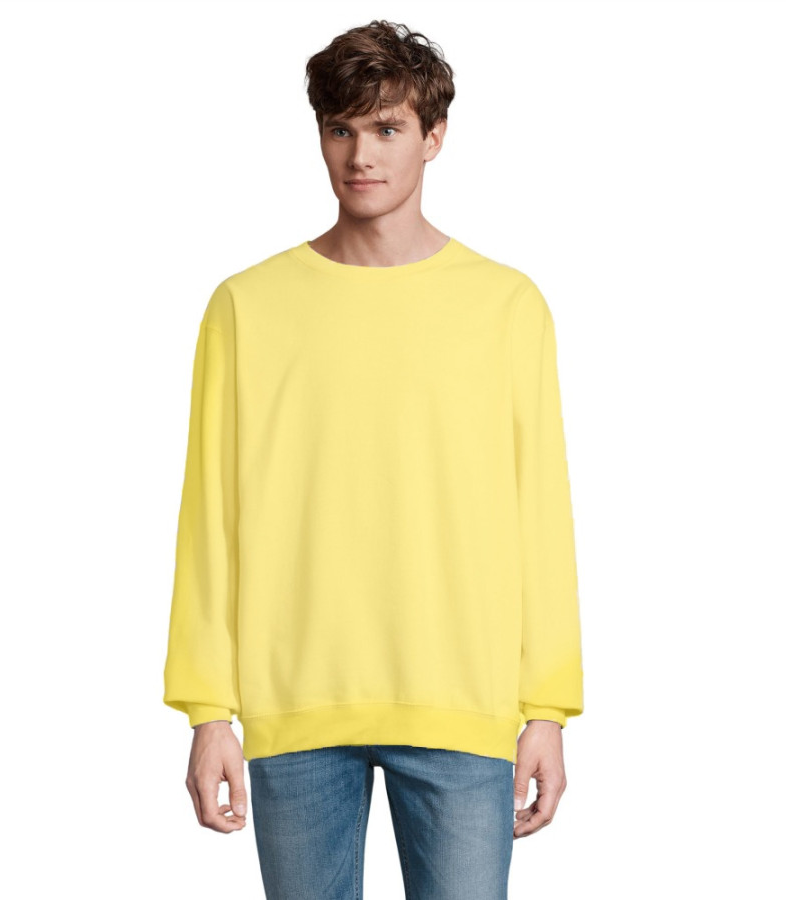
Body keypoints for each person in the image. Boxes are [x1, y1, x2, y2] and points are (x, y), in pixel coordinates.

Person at [163, 18, 584, 900]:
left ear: (434, 137)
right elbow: (211, 518)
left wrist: (547, 706)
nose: (361, 155)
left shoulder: (507, 307)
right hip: (297, 703)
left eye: (388, 128)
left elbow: (539, 514)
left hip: (461, 703)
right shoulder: (247, 307)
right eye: (341, 129)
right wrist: (208, 711)